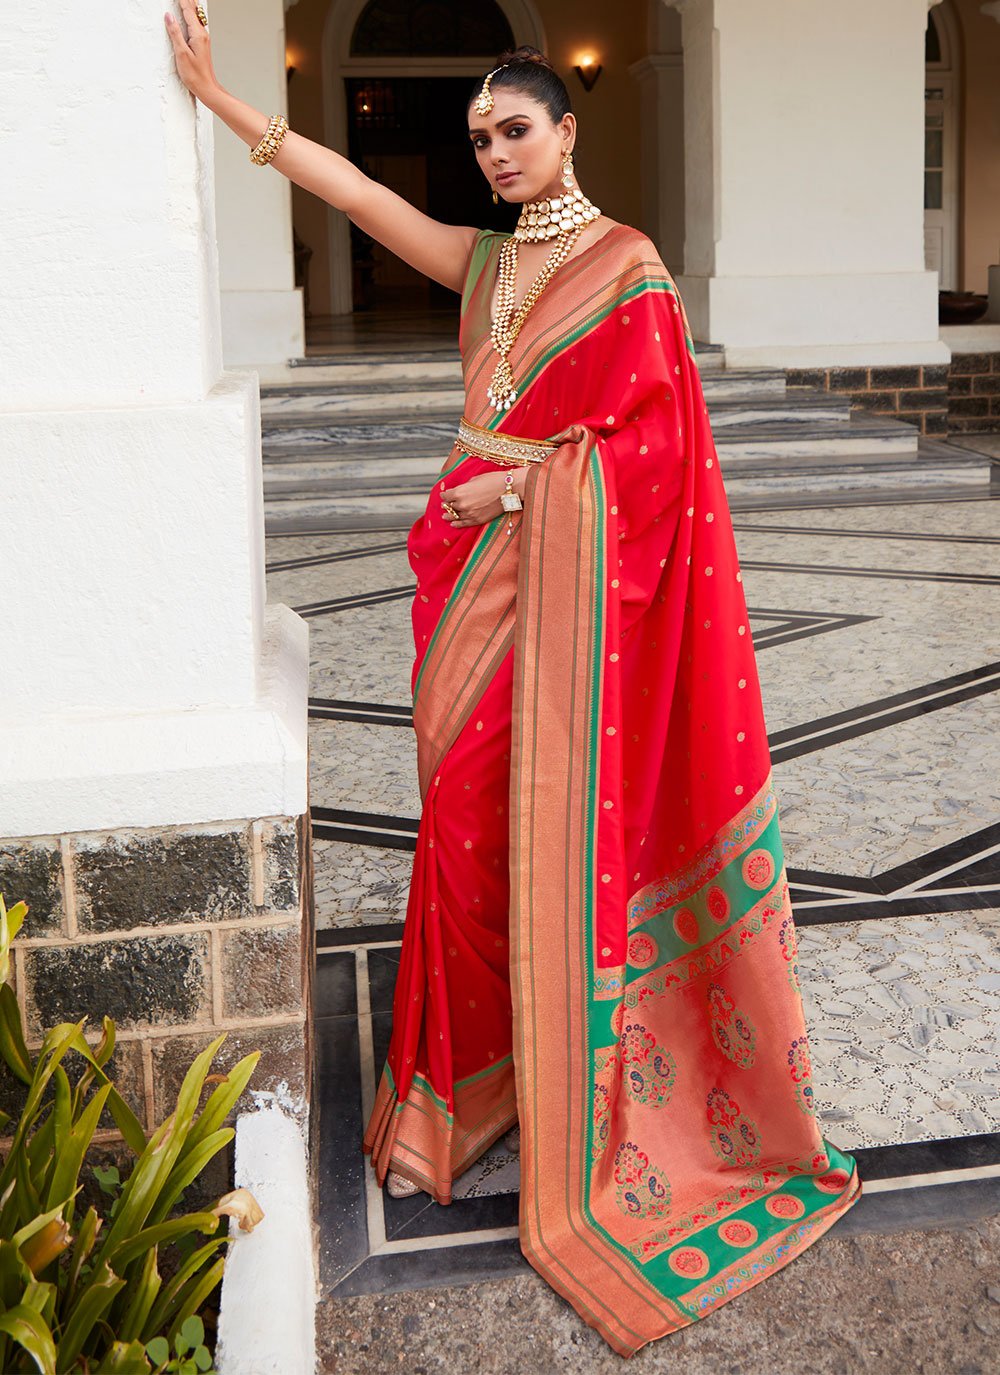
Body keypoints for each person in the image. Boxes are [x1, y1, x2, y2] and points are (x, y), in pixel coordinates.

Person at [166, 8, 861, 1356]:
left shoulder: (630, 270)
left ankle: (544, 1080)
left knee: (507, 818)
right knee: (461, 823)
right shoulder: (484, 266)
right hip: (466, 576)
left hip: (549, 564)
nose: (493, 150)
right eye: (480, 135)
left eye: (516, 128)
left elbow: (654, 458)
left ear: (568, 130)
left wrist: (522, 482)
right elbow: (363, 193)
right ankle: (464, 1085)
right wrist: (226, 107)